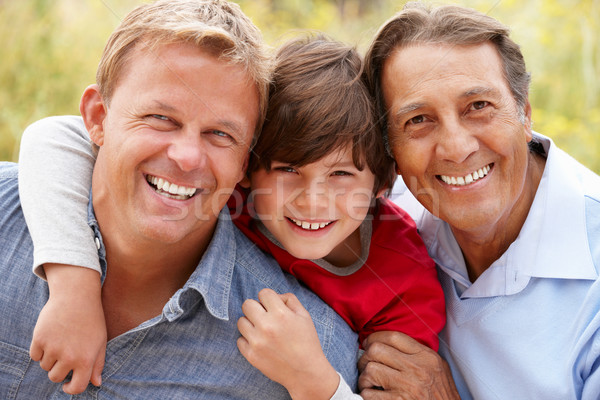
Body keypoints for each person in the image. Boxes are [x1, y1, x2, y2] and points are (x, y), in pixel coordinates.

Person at [18, 33, 446, 398]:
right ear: (246, 166)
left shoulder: (404, 282)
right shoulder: (218, 191)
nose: (313, 201)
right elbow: (54, 135)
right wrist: (73, 286)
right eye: (288, 169)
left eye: (340, 174)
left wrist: (314, 382)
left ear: (381, 182)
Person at [356, 2, 600, 400]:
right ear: (390, 151)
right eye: (418, 120)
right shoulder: (384, 217)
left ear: (524, 113)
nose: (455, 148)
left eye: (478, 107)